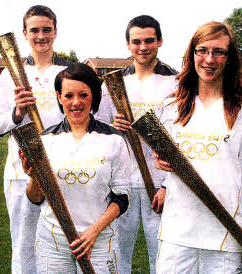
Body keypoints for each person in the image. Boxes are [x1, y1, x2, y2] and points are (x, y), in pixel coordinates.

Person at [20, 63, 132, 273]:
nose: (76, 102)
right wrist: (35, 177)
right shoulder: (45, 140)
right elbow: (36, 198)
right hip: (53, 240)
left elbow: (122, 197)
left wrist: (94, 232)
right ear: (59, 97)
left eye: (83, 95)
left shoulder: (114, 139)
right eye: (68, 95)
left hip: (99, 240)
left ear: (94, 96)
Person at [154, 21, 242, 273]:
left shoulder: (238, 108)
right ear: (192, 53)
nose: (209, 59)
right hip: (177, 230)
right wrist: (161, 160)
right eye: (202, 50)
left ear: (230, 57)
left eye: (219, 52)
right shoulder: (173, 106)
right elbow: (164, 158)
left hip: (225, 232)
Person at [0, 5, 71, 273]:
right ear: (24, 33)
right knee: (24, 245)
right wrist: (17, 112)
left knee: (63, 243)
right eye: (34, 30)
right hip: (21, 172)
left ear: (56, 32)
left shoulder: (69, 72)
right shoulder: (9, 74)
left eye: (46, 30)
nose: (41, 36)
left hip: (64, 169)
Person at [96, 15, 178, 273]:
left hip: (160, 181)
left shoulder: (176, 82)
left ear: (160, 41)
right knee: (120, 250)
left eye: (149, 41)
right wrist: (113, 127)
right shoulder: (114, 83)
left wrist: (168, 184)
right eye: (137, 42)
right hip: (123, 181)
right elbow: (96, 128)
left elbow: (182, 135)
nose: (143, 47)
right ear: (128, 45)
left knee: (163, 252)